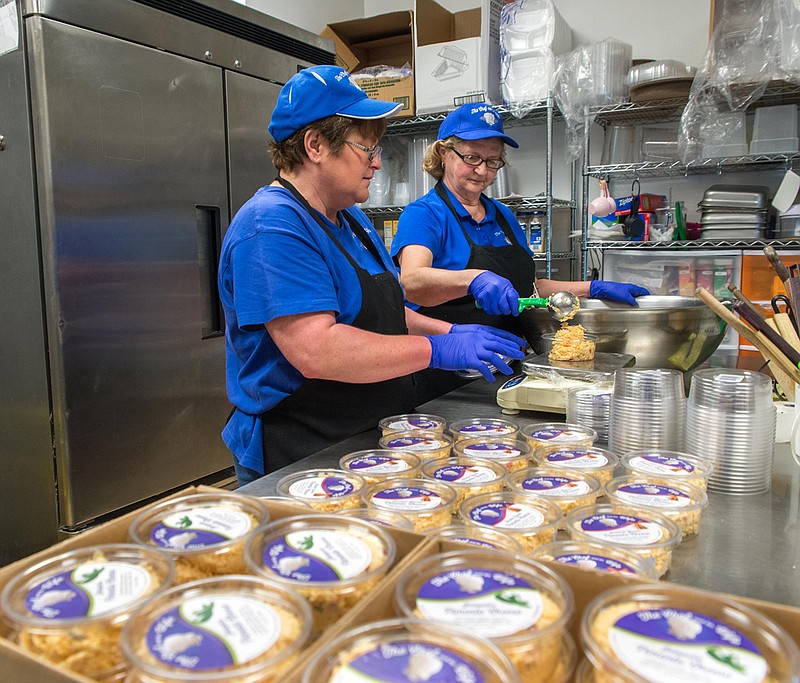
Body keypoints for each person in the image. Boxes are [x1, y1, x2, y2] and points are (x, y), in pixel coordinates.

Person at [218, 66, 527, 485]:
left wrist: (449, 333)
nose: (378, 163)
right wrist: (435, 351)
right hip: (302, 446)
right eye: (368, 149)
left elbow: (386, 310)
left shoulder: (351, 219)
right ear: (315, 145)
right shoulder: (272, 226)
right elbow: (318, 349)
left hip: (366, 432)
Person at [390, 103, 649, 334]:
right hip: (448, 364)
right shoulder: (425, 213)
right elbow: (412, 281)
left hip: (509, 356)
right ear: (443, 153)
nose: (482, 170)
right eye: (471, 157)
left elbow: (530, 288)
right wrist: (473, 280)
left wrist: (592, 288)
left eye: (492, 161)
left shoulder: (502, 214)